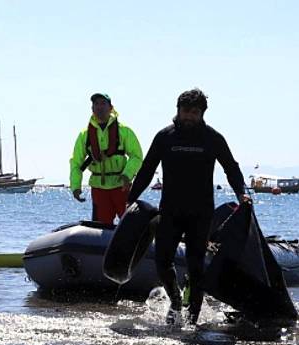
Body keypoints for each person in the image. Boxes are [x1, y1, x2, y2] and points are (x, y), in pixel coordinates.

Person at [128, 88, 252, 326]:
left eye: (194, 113)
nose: (188, 117)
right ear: (178, 110)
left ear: (202, 114)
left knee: (196, 268)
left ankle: (192, 321)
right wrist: (131, 198)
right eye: (185, 111)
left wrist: (242, 194)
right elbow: (146, 170)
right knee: (163, 261)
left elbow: (231, 168)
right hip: (170, 211)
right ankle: (175, 300)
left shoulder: (213, 138)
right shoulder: (165, 137)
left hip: (201, 212)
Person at [69, 93, 143, 225]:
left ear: (111, 108)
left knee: (129, 226)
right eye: (96, 104)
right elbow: (76, 162)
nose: (99, 107)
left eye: (103, 103)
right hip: (99, 189)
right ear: (92, 109)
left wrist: (127, 175)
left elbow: (136, 156)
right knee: (100, 229)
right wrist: (75, 186)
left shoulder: (124, 131)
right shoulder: (84, 135)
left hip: (121, 187)